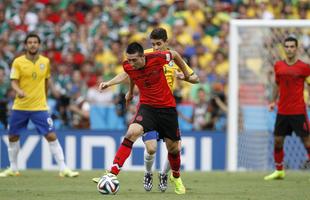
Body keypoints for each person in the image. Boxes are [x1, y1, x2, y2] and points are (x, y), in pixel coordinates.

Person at [93, 27, 199, 192]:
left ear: (165, 42)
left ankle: (175, 176)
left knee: (174, 148)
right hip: (147, 106)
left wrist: (185, 75)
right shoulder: (135, 61)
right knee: (133, 134)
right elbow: (130, 73)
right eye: (153, 44)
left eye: (159, 44)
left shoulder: (159, 57)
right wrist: (116, 86)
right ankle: (112, 173)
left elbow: (182, 61)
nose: (156, 47)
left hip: (167, 107)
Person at [0, 33, 79, 178]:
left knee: (51, 135)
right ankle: (13, 168)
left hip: (39, 107)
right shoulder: (18, 62)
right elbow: (13, 82)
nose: (32, 44)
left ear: (39, 45)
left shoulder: (45, 62)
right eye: (29, 42)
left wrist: (47, 96)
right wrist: (19, 91)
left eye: (35, 42)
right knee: (12, 136)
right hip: (20, 106)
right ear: (25, 45)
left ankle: (63, 168)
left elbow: (46, 81)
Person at [264, 36, 310, 180]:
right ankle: (279, 171)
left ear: (297, 48)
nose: (289, 49)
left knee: (307, 141)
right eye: (287, 46)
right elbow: (277, 84)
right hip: (282, 110)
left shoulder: (304, 67)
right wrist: (272, 101)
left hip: (298, 110)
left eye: (292, 46)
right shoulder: (278, 66)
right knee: (278, 140)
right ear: (284, 48)